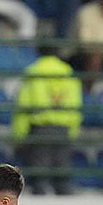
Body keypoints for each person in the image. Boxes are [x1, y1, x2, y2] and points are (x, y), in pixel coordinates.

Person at [12, 45, 82, 196]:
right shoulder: (68, 73)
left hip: (40, 128)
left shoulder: (33, 71)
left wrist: (19, 133)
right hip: (64, 129)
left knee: (40, 175)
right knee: (62, 174)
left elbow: (24, 104)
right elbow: (76, 105)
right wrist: (73, 130)